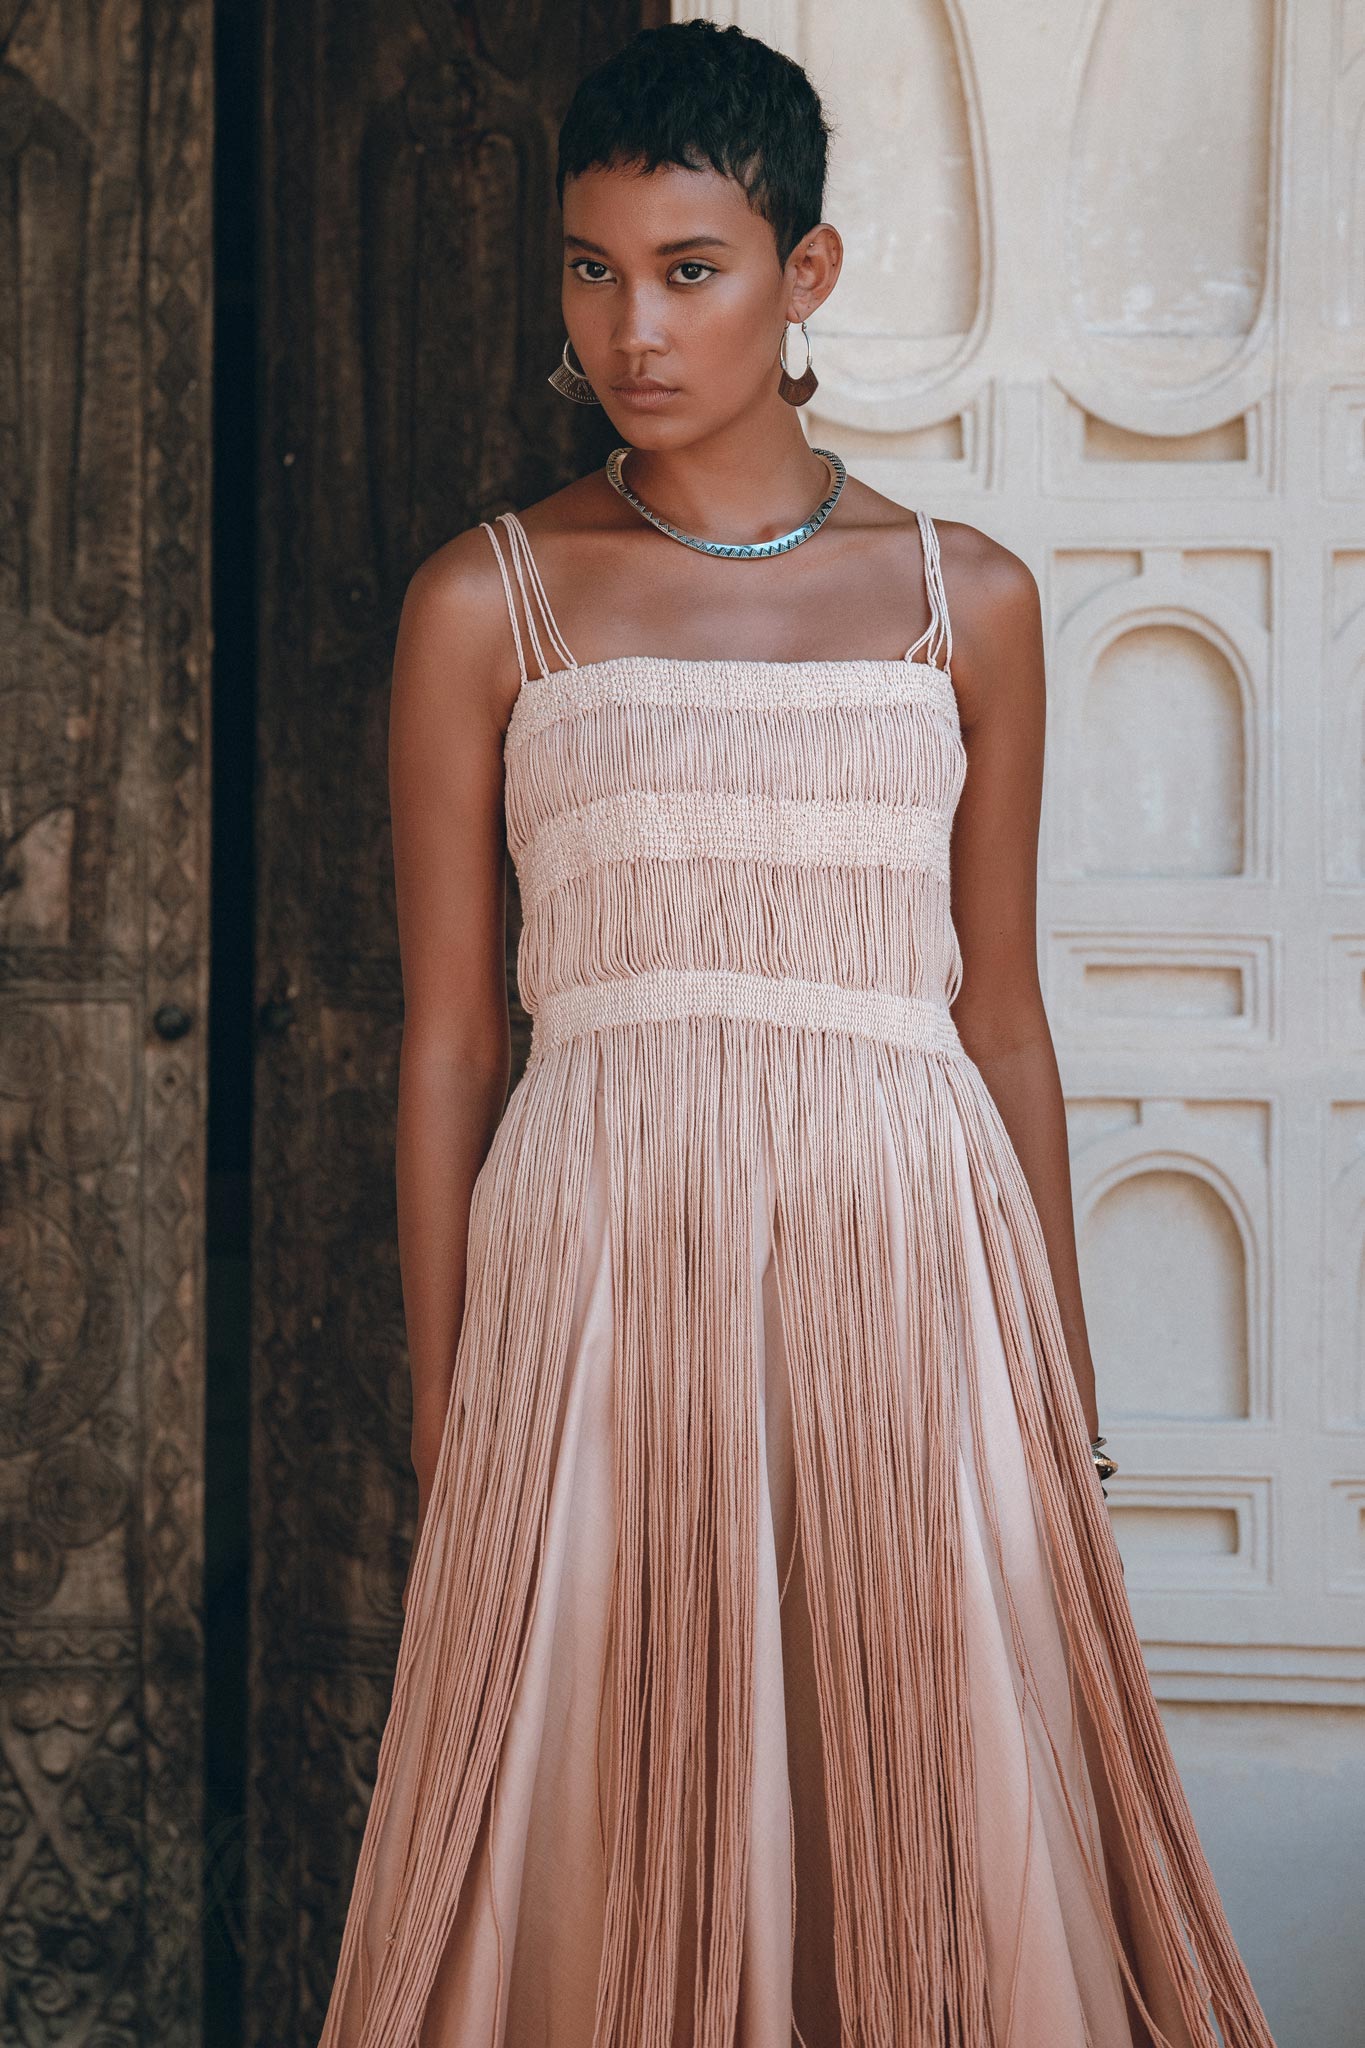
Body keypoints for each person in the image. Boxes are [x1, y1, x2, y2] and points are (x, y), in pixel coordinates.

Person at [316, 20, 1277, 2047]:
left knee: (920, 1763)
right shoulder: (486, 604)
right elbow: (445, 1049)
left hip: (908, 1272)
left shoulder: (968, 598)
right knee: (597, 1772)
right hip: (595, 1269)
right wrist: (446, 1402)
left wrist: (1059, 1391)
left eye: (687, 269)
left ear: (804, 274)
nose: (629, 331)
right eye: (589, 269)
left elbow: (995, 1015)